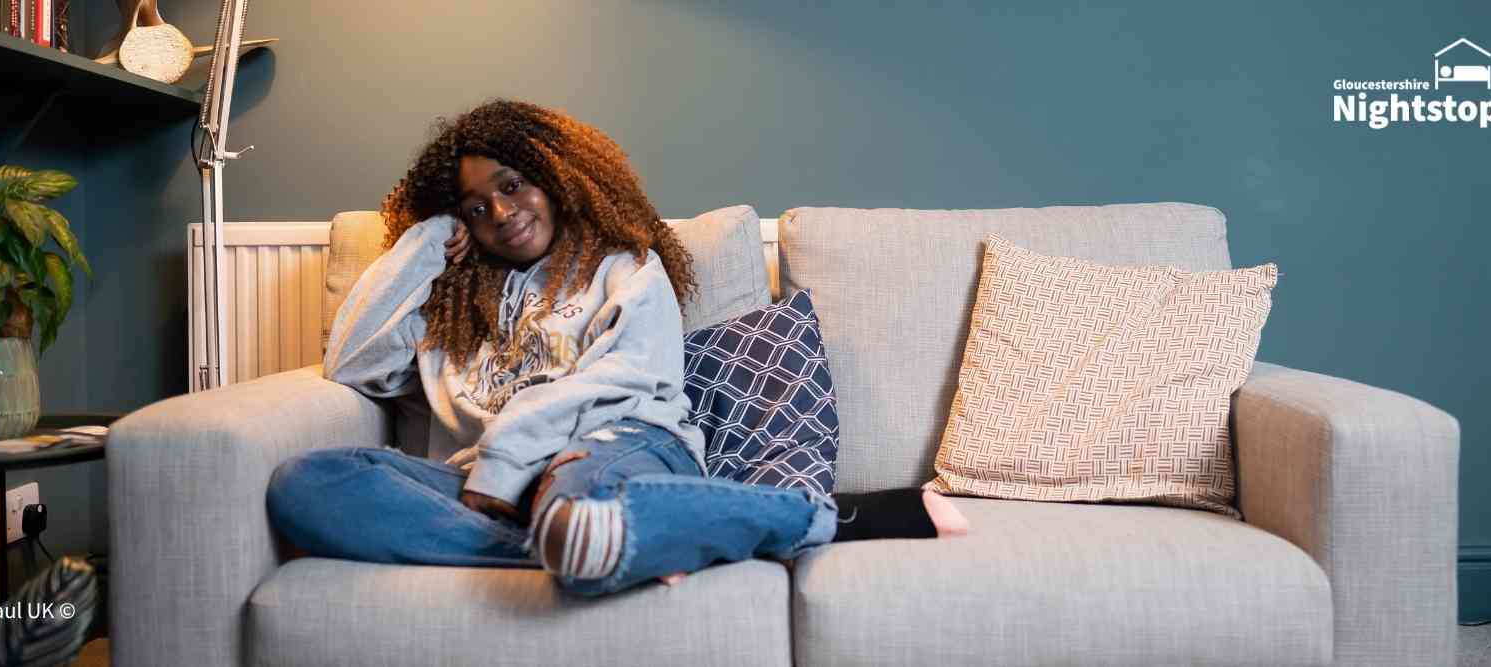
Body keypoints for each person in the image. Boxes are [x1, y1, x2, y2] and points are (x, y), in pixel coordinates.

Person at [266, 99, 966, 597]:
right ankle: (616, 543)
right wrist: (424, 245)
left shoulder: (623, 266)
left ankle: (804, 517)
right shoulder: (448, 304)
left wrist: (511, 449)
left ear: (555, 175)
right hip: (490, 490)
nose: (500, 213)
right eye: (474, 208)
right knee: (308, 484)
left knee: (576, 494)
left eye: (512, 185)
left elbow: (630, 377)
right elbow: (350, 362)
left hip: (620, 446)